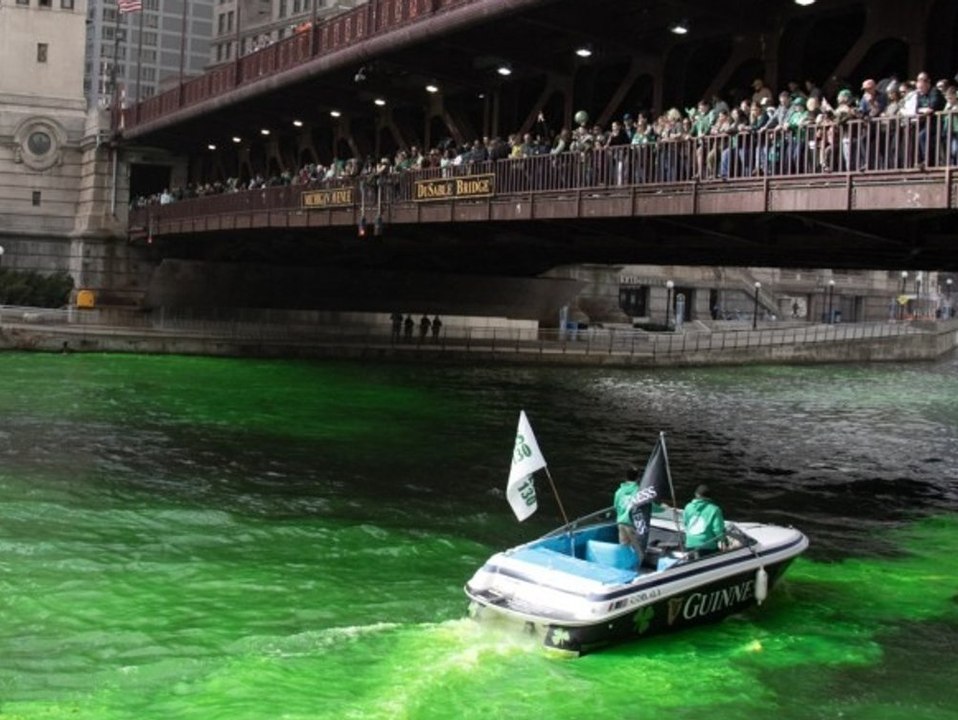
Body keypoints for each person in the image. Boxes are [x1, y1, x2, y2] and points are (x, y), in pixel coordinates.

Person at [613, 467, 648, 570]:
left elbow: (616, 506)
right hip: (631, 524)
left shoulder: (619, 491)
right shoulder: (639, 491)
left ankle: (624, 569)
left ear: (625, 477)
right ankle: (638, 572)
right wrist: (663, 509)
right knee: (639, 550)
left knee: (624, 548)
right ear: (638, 478)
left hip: (621, 523)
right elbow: (649, 504)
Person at [682, 484, 726, 557]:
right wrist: (723, 540)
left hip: (689, 545)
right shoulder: (714, 509)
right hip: (707, 547)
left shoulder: (688, 507)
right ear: (709, 497)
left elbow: (686, 524)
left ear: (696, 494)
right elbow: (718, 530)